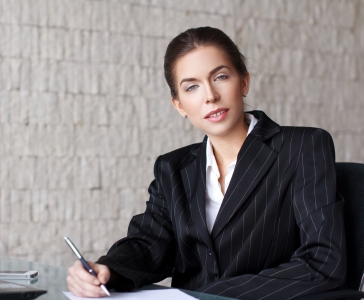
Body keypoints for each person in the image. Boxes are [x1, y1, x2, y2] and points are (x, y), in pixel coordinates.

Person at [66, 27, 346, 299]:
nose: (210, 96)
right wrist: (107, 269)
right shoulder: (172, 168)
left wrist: (208, 297)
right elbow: (149, 245)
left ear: (244, 81)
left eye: (221, 77)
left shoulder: (303, 147)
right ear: (179, 105)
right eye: (192, 87)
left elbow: (322, 260)